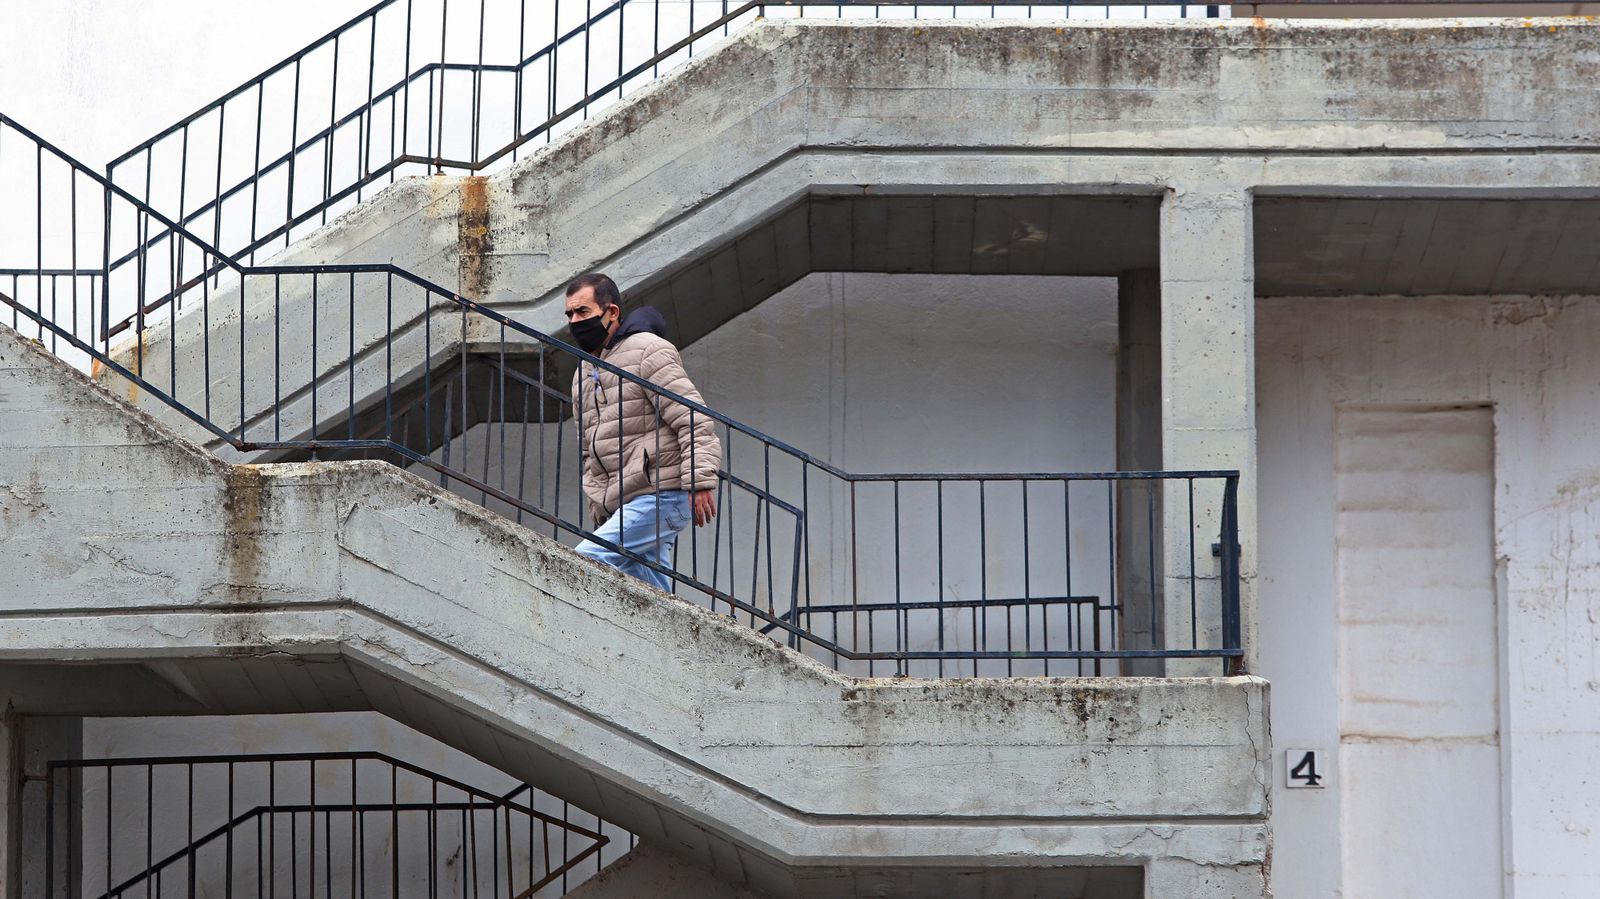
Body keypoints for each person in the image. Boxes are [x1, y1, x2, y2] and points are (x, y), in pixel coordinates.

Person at [565, 273, 720, 591]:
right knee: (655, 596)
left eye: (583, 312)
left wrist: (700, 481)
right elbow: (588, 449)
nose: (575, 321)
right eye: (569, 314)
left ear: (612, 312)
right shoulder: (583, 373)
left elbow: (692, 417)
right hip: (624, 504)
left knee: (581, 562)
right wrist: (599, 504)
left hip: (663, 492)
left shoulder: (647, 350)